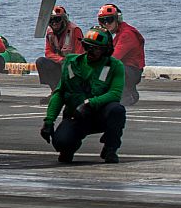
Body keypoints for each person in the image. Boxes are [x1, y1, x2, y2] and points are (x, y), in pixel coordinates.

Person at [40, 27, 126, 164]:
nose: (90, 51)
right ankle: (69, 148)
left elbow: (115, 94)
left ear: (105, 50)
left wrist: (90, 103)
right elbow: (60, 93)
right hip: (77, 116)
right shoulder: (72, 64)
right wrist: (48, 122)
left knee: (117, 110)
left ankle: (110, 148)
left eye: (96, 48)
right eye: (87, 47)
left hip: (100, 115)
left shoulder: (115, 66)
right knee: (61, 142)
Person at [96, 3, 146, 106]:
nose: (106, 24)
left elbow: (113, 57)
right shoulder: (118, 33)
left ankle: (127, 96)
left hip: (131, 71)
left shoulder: (126, 34)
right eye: (102, 21)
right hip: (127, 70)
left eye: (109, 20)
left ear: (117, 19)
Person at [38, 5, 83, 89]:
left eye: (57, 19)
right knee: (41, 62)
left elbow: (80, 54)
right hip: (61, 63)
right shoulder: (49, 33)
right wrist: (61, 60)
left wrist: (68, 62)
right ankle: (54, 90)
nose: (54, 23)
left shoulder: (75, 30)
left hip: (73, 65)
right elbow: (48, 52)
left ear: (64, 20)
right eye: (51, 20)